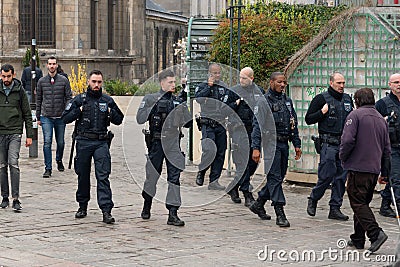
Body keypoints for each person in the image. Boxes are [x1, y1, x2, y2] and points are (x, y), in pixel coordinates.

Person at [61, 70, 124, 224]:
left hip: (101, 142)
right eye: (94, 82)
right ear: (88, 82)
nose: (96, 85)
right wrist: (78, 111)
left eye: (99, 82)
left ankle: (106, 210)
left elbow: (119, 119)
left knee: (103, 176)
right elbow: (65, 117)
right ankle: (82, 206)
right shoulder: (80, 100)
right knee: (83, 175)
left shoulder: (107, 100)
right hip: (83, 141)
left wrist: (111, 112)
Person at [137, 69, 191, 226]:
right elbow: (140, 118)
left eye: (174, 82)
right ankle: (147, 203)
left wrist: (184, 109)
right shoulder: (150, 98)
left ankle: (173, 213)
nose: (173, 85)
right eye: (170, 82)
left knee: (174, 178)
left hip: (173, 143)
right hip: (156, 143)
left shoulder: (177, 101)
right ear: (162, 83)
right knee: (152, 177)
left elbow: (188, 124)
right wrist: (152, 107)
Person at [339, 88, 390, 253]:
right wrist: (385, 172)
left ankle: (375, 233)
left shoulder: (355, 115)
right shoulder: (381, 120)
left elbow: (347, 140)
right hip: (373, 169)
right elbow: (387, 149)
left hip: (358, 166)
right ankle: (358, 238)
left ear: (357, 101)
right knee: (363, 202)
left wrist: (343, 157)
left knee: (357, 202)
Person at [249, 72, 302, 227]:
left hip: (284, 143)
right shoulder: (263, 102)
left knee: (278, 177)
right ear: (271, 82)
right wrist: (255, 148)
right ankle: (280, 212)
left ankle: (259, 203)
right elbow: (257, 126)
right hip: (271, 143)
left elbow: (293, 124)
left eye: (284, 82)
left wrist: (296, 143)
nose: (282, 85)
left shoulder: (287, 101)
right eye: (279, 82)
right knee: (274, 177)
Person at [305, 72, 353, 221]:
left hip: (343, 144)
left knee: (341, 178)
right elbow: (308, 119)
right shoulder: (321, 98)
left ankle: (335, 208)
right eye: (339, 83)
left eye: (343, 83)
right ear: (331, 83)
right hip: (328, 143)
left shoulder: (347, 99)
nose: (342, 86)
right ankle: (314, 198)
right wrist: (322, 112)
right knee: (326, 175)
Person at [225, 67, 263, 207]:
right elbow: (223, 108)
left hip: (254, 132)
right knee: (242, 164)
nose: (241, 80)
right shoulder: (234, 91)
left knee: (253, 162)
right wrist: (235, 104)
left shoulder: (259, 92)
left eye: (244, 78)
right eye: (240, 77)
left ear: (251, 78)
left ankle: (233, 187)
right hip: (239, 131)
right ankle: (247, 193)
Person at [0, 64, 33, 211]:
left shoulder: (20, 91)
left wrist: (30, 135)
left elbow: (27, 113)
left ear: (13, 75)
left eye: (8, 76)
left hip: (15, 132)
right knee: (1, 166)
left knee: (13, 163)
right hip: (0, 133)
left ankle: (16, 198)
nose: (6, 79)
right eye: (3, 76)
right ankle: (5, 197)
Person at [194, 63, 230, 190]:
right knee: (209, 151)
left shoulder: (223, 86)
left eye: (218, 73)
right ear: (209, 73)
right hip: (207, 123)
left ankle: (214, 180)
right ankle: (202, 172)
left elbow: (228, 102)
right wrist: (209, 86)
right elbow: (198, 99)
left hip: (220, 123)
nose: (217, 75)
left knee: (220, 152)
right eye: (214, 73)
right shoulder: (202, 86)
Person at [36, 56, 72, 178]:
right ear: (47, 65)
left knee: (60, 142)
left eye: (54, 64)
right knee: (47, 141)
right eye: (50, 64)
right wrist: (38, 116)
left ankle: (59, 159)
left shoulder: (63, 80)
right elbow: (39, 99)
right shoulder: (41, 81)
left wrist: (67, 111)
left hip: (60, 116)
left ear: (57, 65)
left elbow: (68, 97)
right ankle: (48, 168)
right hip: (46, 116)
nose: (52, 66)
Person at [375, 73, 400, 218]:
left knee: (394, 178)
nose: (399, 85)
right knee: (396, 178)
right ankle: (396, 206)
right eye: (396, 82)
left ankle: (385, 205)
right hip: (392, 147)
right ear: (390, 85)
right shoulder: (382, 104)